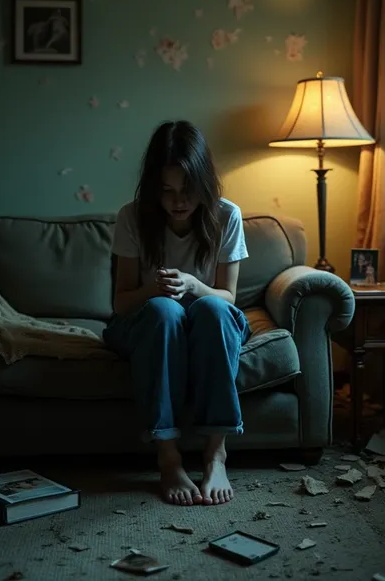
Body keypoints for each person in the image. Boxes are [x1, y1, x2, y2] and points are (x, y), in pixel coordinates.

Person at [103, 120, 251, 507]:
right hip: (149, 323)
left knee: (213, 310)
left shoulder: (226, 216)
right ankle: (168, 458)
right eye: (166, 191)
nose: (178, 201)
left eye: (186, 190)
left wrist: (194, 285)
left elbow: (229, 296)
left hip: (210, 318)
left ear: (204, 183)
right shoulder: (132, 217)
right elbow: (120, 305)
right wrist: (152, 288)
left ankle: (216, 453)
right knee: (166, 310)